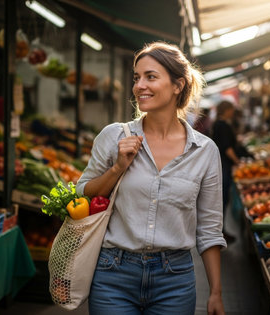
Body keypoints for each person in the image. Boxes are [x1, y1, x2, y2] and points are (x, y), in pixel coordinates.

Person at [76, 42, 226, 315]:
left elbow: (209, 229)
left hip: (175, 280)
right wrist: (117, 168)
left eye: (151, 77)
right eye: (137, 78)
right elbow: (82, 193)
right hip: (113, 275)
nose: (139, 86)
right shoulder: (114, 137)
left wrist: (215, 292)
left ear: (178, 85)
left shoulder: (204, 151)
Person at [211, 100, 240, 243]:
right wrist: (237, 161)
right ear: (226, 110)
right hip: (223, 165)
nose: (233, 112)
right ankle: (218, 233)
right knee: (221, 199)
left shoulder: (219, 124)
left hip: (221, 164)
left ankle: (220, 231)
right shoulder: (222, 125)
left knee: (222, 199)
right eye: (231, 109)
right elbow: (227, 148)